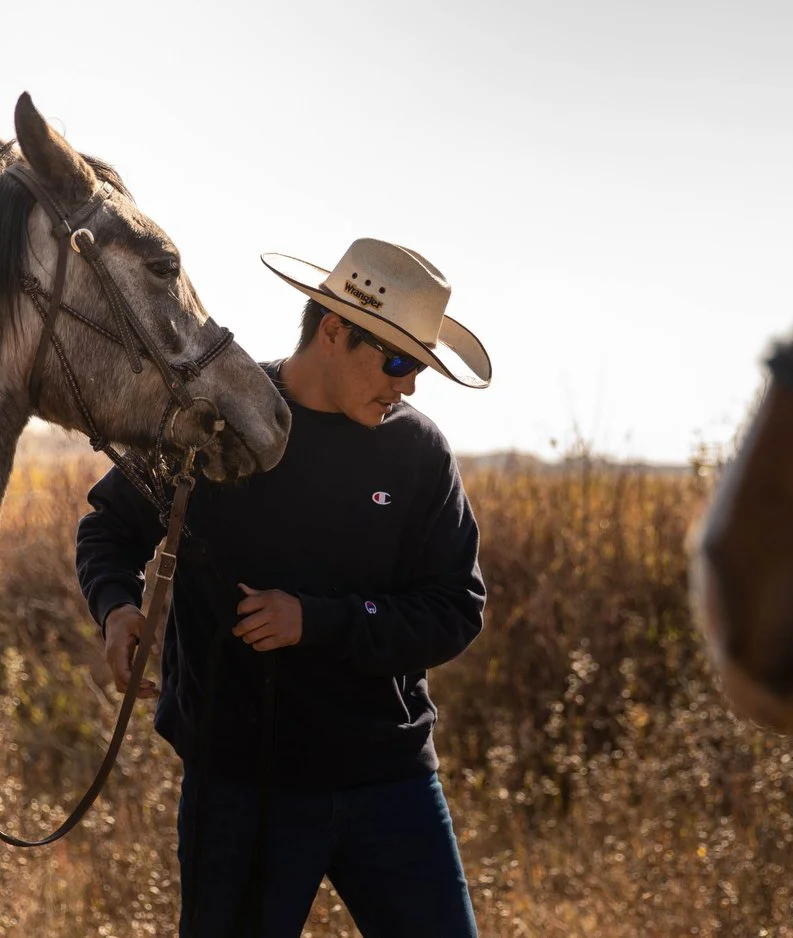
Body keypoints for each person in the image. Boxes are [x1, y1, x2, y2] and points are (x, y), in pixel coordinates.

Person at [76, 237, 492, 937]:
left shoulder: (418, 454)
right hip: (240, 791)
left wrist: (319, 621)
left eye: (419, 367)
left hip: (390, 782)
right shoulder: (212, 422)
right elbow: (109, 530)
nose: (409, 385)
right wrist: (116, 608)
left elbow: (455, 609)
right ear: (334, 330)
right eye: (397, 361)